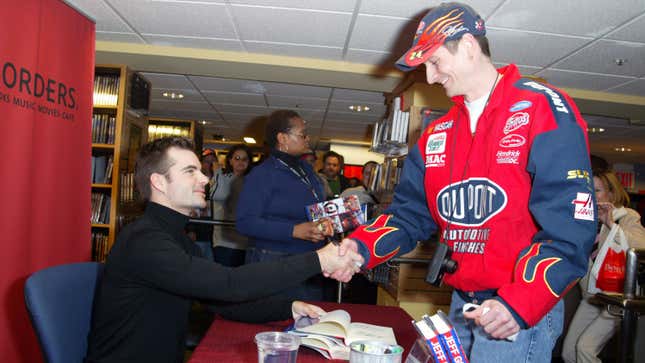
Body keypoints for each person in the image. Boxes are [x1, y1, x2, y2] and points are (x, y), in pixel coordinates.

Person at [336, 3, 596, 362]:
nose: (429, 77)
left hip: (513, 310)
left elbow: (570, 223)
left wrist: (520, 303)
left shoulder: (541, 107)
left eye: (435, 61)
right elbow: (410, 214)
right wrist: (360, 247)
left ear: (470, 46)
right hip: (460, 305)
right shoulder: (436, 133)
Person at [85, 136, 363, 363]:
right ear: (158, 182)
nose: (205, 179)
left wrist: (289, 307)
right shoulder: (145, 241)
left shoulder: (172, 237)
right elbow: (230, 285)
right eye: (189, 171)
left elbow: (224, 301)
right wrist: (318, 260)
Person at [237, 110, 335, 301]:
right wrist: (294, 230)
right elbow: (245, 222)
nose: (308, 139)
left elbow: (313, 205)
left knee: (309, 320)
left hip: (310, 257)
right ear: (282, 138)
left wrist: (330, 219)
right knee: (275, 321)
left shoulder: (306, 168)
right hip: (273, 259)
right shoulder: (262, 174)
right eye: (302, 134)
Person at [562, 169, 645, 363]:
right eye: (588, 189)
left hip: (615, 298)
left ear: (611, 193)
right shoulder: (583, 219)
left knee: (585, 348)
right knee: (568, 353)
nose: (592, 195)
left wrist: (611, 224)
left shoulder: (626, 216)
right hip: (591, 298)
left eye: (597, 190)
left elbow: (641, 245)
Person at [210, 144, 252, 267]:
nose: (241, 162)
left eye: (245, 159)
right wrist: (217, 171)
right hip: (224, 241)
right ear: (230, 161)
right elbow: (218, 195)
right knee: (225, 280)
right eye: (237, 158)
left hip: (246, 242)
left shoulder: (253, 182)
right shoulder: (222, 178)